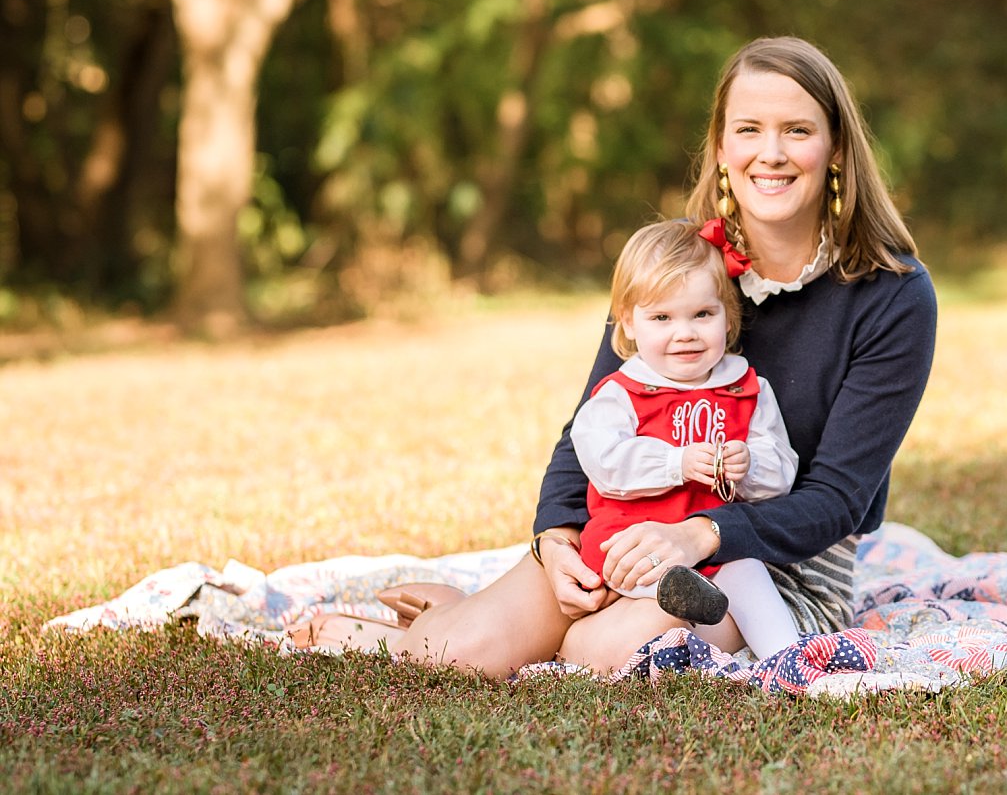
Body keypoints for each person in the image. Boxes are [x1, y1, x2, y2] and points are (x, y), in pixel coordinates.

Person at [287, 36, 938, 678]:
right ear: (720, 149)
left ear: (836, 149)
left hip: (767, 566)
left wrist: (698, 534)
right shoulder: (674, 268)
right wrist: (556, 537)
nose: (770, 153)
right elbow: (593, 422)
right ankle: (438, 624)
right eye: (748, 130)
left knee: (597, 652)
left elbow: (838, 499)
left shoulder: (892, 296)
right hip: (623, 529)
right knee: (464, 653)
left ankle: (483, 613)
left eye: (797, 130)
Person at [569, 217, 802, 658]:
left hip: (715, 539)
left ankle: (788, 658)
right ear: (629, 323)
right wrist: (675, 464)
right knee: (640, 565)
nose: (685, 333)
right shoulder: (621, 392)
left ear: (727, 317)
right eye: (661, 317)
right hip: (630, 538)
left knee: (748, 570)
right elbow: (603, 460)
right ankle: (676, 593)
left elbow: (782, 470)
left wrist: (750, 464)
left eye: (702, 314)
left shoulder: (746, 388)